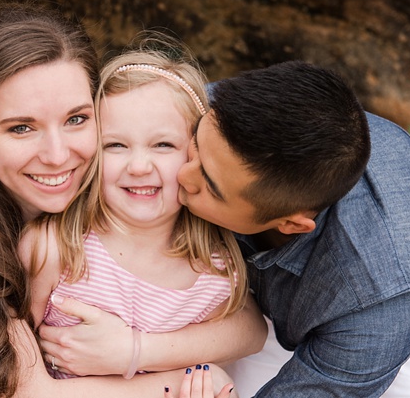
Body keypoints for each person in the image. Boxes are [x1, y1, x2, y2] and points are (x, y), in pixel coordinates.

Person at [0, 2, 264, 397]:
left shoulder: (110, 196)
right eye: (21, 128)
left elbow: (246, 324)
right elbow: (21, 391)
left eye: (76, 119)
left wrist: (140, 350)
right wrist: (191, 379)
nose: (58, 155)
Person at [175, 60, 410, 397]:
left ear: (291, 224)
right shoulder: (220, 109)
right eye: (196, 144)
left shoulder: (381, 302)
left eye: (209, 187)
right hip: (259, 300)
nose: (180, 176)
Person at [18, 33, 265, 384]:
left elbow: (247, 337)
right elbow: (9, 366)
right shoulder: (55, 249)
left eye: (163, 144)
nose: (138, 166)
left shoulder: (214, 278)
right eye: (115, 145)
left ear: (197, 153)